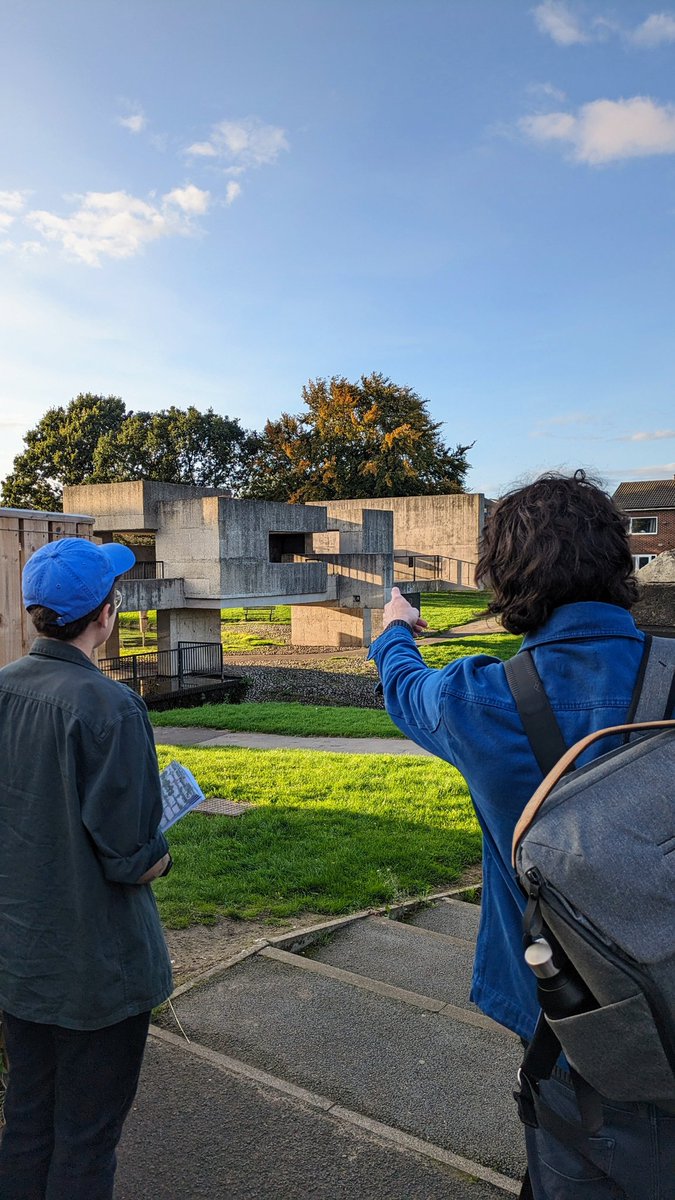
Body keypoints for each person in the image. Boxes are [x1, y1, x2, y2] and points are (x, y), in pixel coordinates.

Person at [367, 471, 675, 1199]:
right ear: (615, 563)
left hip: (569, 1035)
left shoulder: (480, 699)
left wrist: (392, 633)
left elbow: (404, 689)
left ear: (502, 581)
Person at [0, 537, 173, 1200]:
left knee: (26, 1121)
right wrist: (160, 847)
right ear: (107, 612)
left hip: (20, 961)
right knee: (85, 1140)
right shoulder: (110, 707)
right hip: (96, 974)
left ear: (36, 612)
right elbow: (134, 860)